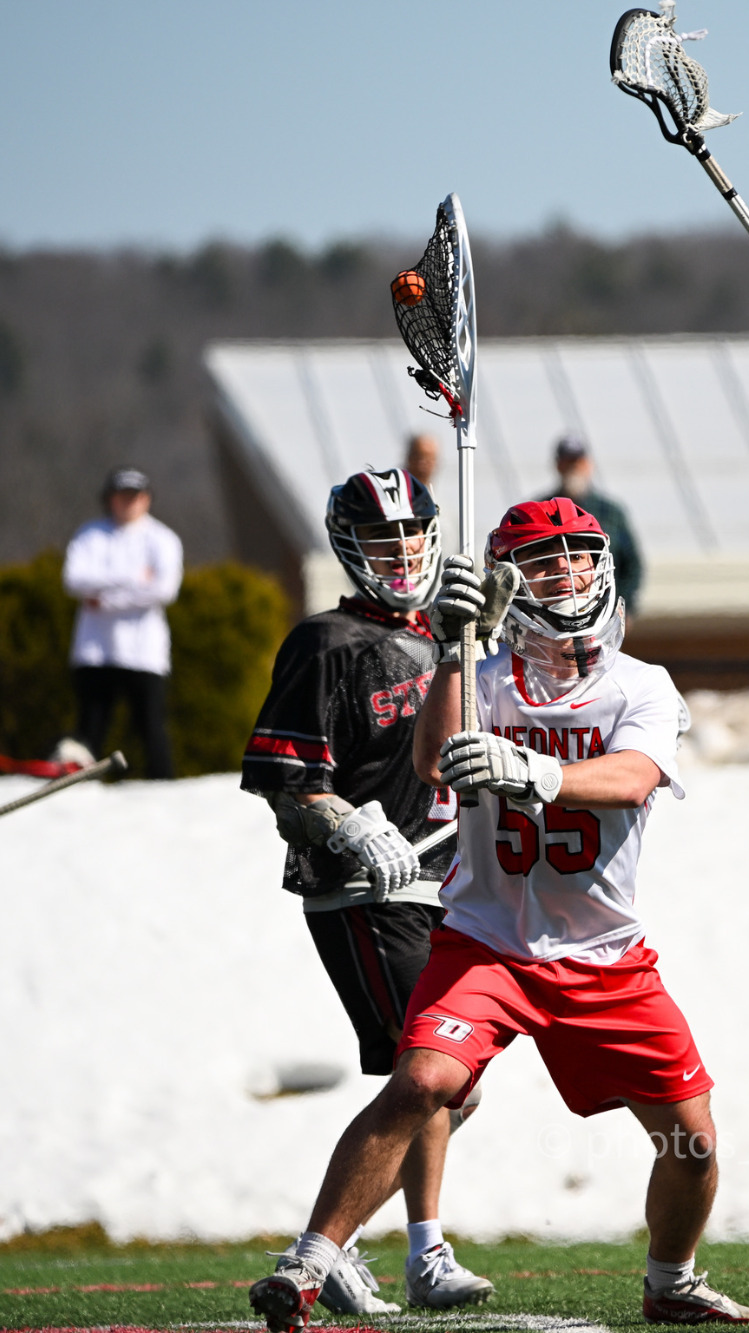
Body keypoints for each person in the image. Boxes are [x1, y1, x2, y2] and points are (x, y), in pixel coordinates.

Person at [250, 498, 749, 1331]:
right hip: (486, 940)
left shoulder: (642, 684)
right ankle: (308, 1261)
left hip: (603, 952)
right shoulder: (482, 679)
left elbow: (631, 777)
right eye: (543, 559)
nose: (565, 572)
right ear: (508, 579)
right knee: (422, 1081)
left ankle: (670, 1281)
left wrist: (532, 770)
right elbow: (431, 760)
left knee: (692, 1142)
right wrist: (453, 647)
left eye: (577, 554)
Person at [240, 467, 489, 1319]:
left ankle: (411, 1250)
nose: (403, 552)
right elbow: (284, 784)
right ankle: (364, 1249)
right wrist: (346, 825)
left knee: (438, 1081)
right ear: (349, 545)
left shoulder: (449, 636)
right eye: (384, 538)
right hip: (364, 888)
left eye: (413, 534)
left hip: (444, 884)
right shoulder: (326, 642)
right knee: (439, 1075)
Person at [62, 467, 183, 779]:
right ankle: (81, 787)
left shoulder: (162, 538)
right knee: (90, 727)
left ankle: (161, 788)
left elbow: (164, 589)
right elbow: (74, 579)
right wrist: (133, 578)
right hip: (95, 648)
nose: (128, 502)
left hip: (142, 650)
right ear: (110, 499)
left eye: (135, 496)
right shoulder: (90, 534)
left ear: (146, 499)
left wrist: (105, 599)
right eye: (122, 496)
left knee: (151, 728)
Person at [540, 433, 645, 615]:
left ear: (588, 464)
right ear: (558, 466)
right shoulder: (540, 511)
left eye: (577, 462)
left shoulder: (611, 511)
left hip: (604, 611)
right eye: (567, 462)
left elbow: (632, 565)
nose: (573, 468)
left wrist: (623, 608)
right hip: (553, 611)